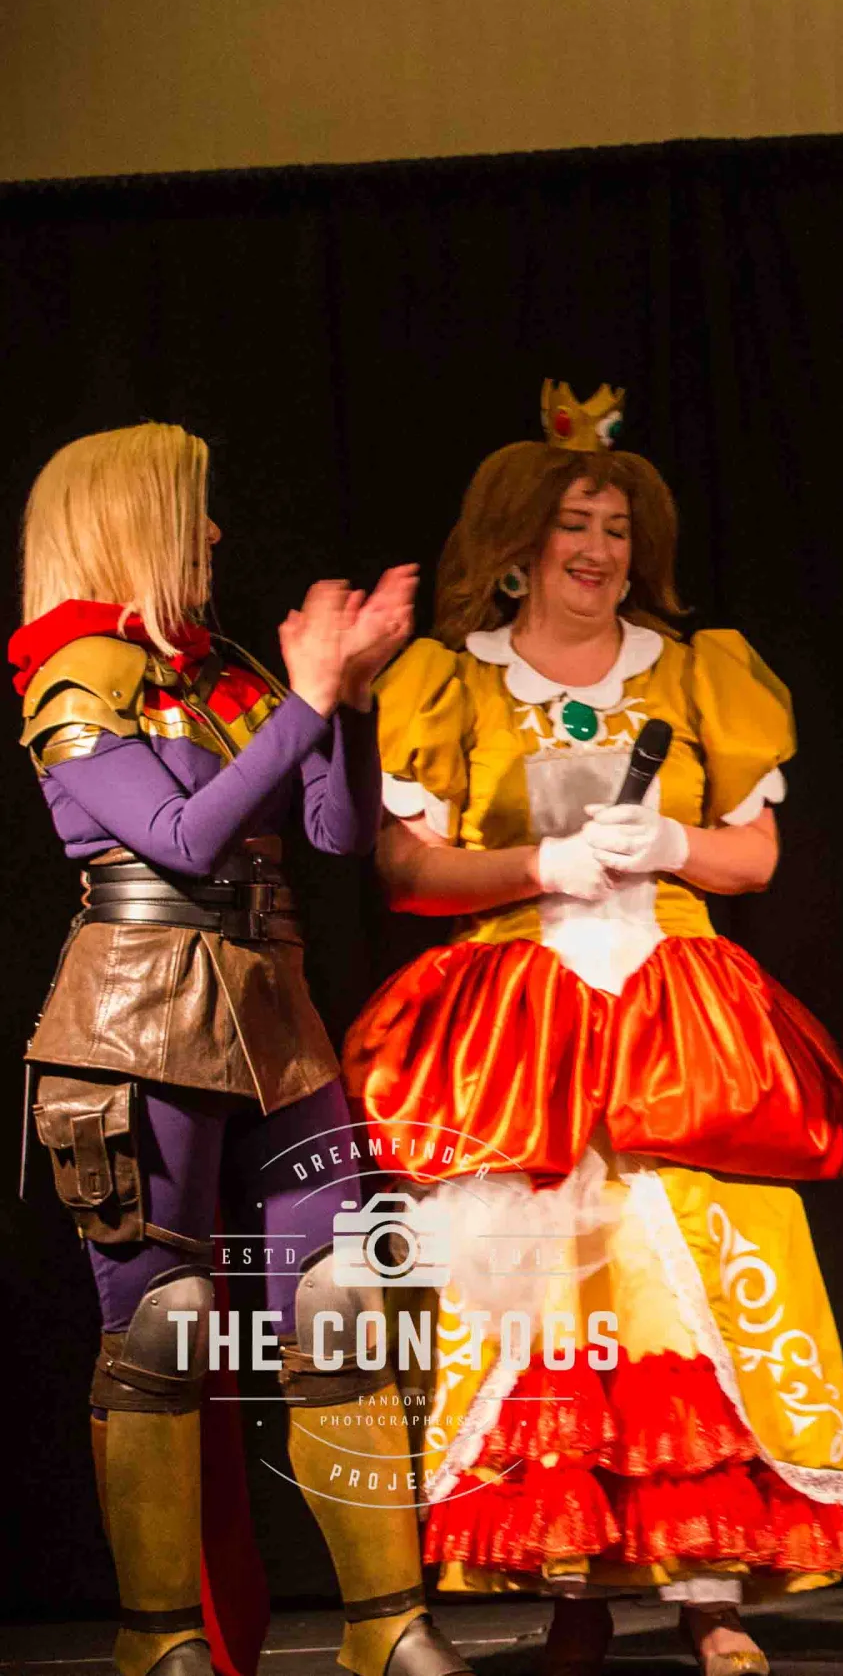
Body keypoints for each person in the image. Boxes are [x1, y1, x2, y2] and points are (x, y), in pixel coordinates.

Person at [338, 384, 843, 1676]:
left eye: (617, 528)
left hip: (675, 1010)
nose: (597, 549)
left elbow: (754, 855)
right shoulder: (450, 681)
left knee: (691, 1279)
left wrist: (673, 843)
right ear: (516, 546)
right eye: (573, 525)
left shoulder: (696, 671)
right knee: (542, 1292)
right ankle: (568, 1587)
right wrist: (539, 864)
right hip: (518, 1021)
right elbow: (405, 869)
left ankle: (709, 1592)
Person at [13, 423, 469, 1676]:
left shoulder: (221, 672)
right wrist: (308, 698)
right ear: (133, 519)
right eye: (195, 510)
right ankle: (158, 1641)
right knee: (164, 1327)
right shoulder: (73, 674)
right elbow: (179, 838)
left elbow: (333, 831)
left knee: (344, 1304)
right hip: (140, 1016)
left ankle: (388, 1624)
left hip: (276, 1017)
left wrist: (350, 701)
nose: (214, 531)